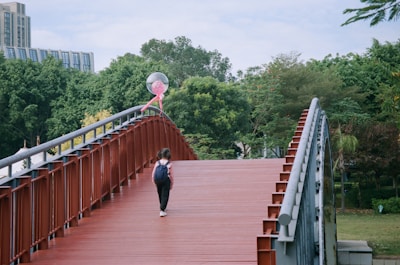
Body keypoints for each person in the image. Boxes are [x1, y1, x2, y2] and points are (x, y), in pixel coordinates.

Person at [152, 148, 174, 217]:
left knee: (160, 193)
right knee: (165, 194)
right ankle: (162, 209)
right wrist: (171, 184)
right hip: (165, 180)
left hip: (157, 180)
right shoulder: (169, 164)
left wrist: (154, 180)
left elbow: (153, 173)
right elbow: (171, 175)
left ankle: (162, 205)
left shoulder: (157, 163)